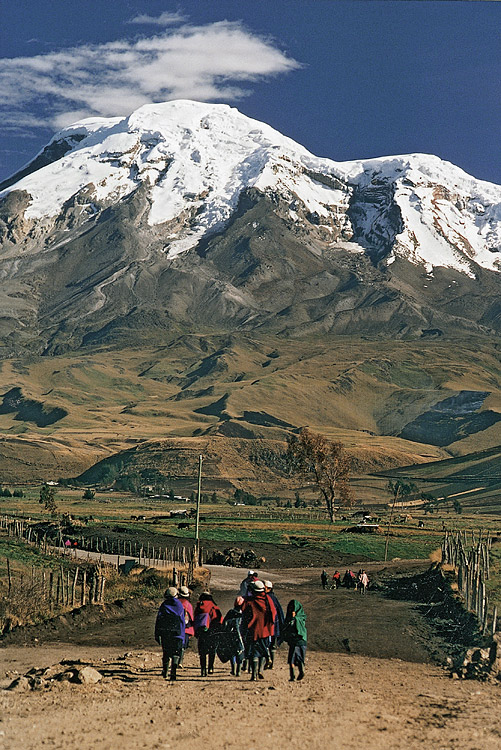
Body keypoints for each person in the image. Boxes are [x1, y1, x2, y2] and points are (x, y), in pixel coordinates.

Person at [241, 580, 277, 681]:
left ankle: (254, 675)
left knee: (254, 652)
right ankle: (260, 669)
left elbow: (245, 614)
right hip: (266, 630)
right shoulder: (267, 599)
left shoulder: (250, 601)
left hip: (253, 630)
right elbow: (273, 613)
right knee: (262, 649)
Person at [154, 587, 186, 681]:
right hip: (177, 634)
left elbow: (158, 620)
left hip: (165, 633)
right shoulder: (179, 605)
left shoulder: (164, 605)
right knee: (176, 653)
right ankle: (173, 673)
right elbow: (182, 621)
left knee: (166, 653)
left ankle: (165, 672)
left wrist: (157, 634)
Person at [193, 592, 223, 676]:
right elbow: (219, 620)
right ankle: (210, 668)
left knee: (202, 652)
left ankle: (203, 670)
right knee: (212, 651)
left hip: (202, 632)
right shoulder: (214, 607)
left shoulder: (199, 607)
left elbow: (195, 618)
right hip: (212, 632)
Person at [282, 599, 307, 682]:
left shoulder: (298, 618)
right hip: (299, 641)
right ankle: (294, 675)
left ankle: (296, 674)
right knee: (295, 658)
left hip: (297, 640)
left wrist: (293, 618)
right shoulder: (297, 618)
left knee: (294, 658)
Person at [221, 596, 246, 676]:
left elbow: (224, 623)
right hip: (241, 635)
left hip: (231, 635)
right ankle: (239, 670)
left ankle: (233, 669)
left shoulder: (231, 612)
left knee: (232, 653)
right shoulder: (244, 613)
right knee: (240, 651)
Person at [263, 580, 284, 670]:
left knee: (267, 644)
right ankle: (271, 663)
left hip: (267, 625)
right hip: (275, 625)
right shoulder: (274, 598)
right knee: (272, 645)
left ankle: (267, 662)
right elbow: (280, 612)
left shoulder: (266, 598)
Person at [178, 585, 194, 667]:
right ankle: (180, 661)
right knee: (183, 646)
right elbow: (191, 618)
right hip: (185, 629)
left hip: (175, 628)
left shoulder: (175, 603)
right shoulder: (188, 605)